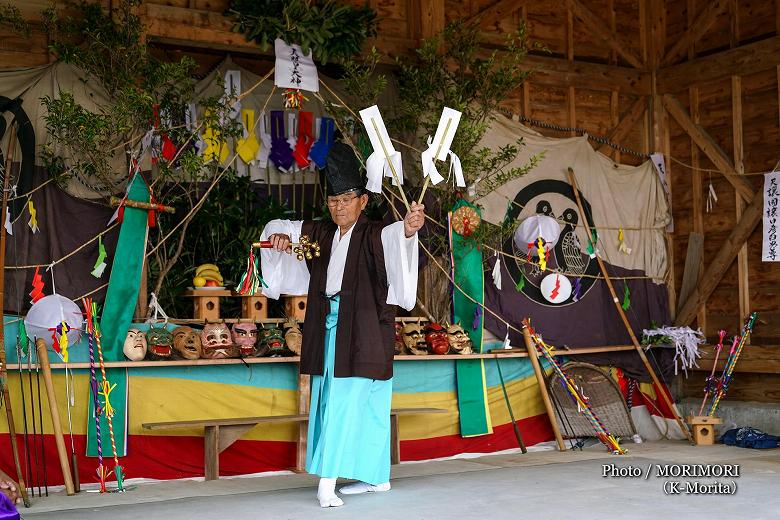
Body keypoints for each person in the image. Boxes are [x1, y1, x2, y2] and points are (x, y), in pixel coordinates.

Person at [259, 142, 424, 507]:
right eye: (333, 200)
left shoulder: (374, 232)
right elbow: (277, 230)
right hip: (332, 329)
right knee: (336, 402)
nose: (339, 206)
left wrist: (410, 229)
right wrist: (280, 240)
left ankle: (359, 479)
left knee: (367, 403)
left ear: (362, 201)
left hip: (365, 331)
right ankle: (349, 479)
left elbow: (398, 237)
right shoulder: (320, 233)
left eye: (347, 199)